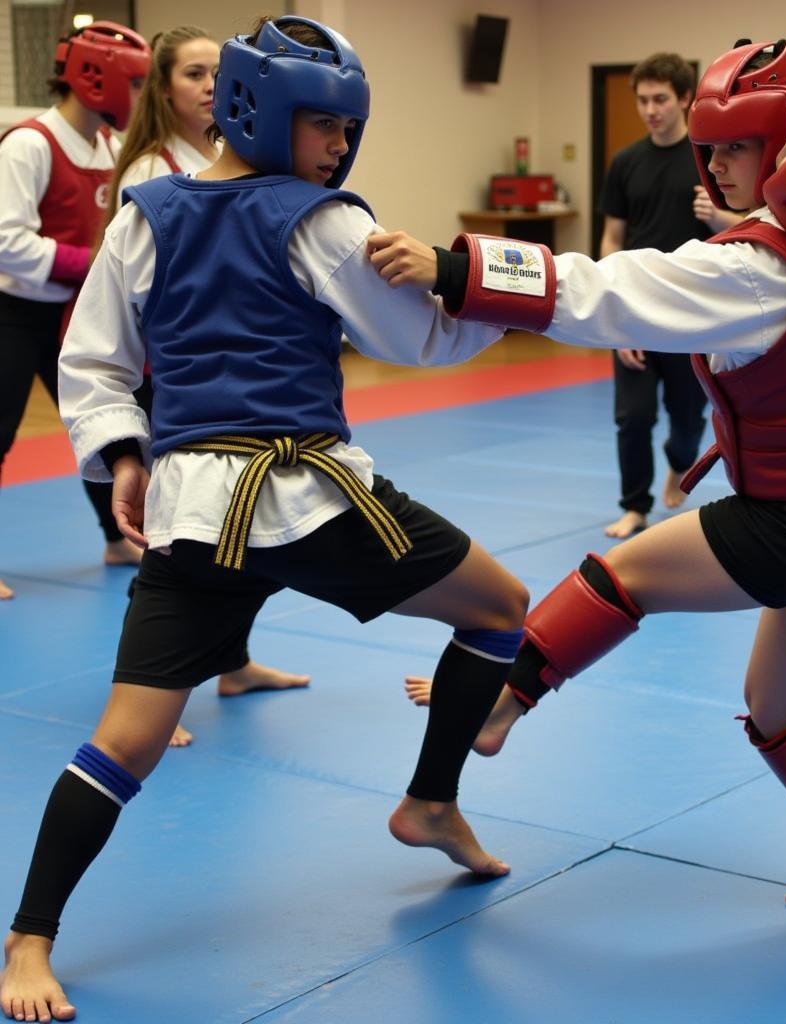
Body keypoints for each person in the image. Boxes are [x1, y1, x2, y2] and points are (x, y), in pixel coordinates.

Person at [1, 16, 528, 1022]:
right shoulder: (318, 219)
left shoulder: (140, 212)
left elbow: (94, 363)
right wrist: (493, 288)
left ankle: (30, 941)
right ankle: (430, 798)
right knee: (502, 610)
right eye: (326, 127)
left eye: (345, 131)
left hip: (195, 509)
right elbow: (412, 340)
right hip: (313, 499)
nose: (339, 149)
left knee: (124, 739)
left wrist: (122, 453)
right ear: (268, 109)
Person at [379, 40, 786, 926]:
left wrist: (456, 271)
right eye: (708, 146)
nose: (712, 164)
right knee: (776, 707)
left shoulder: (753, 269)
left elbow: (605, 288)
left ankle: (500, 701)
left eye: (736, 149)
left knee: (624, 574)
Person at [103, 25, 311, 749]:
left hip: (238, 377)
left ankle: (234, 663)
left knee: (248, 526)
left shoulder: (236, 160)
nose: (207, 86)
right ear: (164, 89)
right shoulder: (151, 173)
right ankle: (155, 691)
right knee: (178, 542)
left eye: (217, 74)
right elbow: (134, 296)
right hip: (180, 380)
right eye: (193, 74)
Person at [0, 22, 151, 601]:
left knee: (100, 426)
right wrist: (92, 262)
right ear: (96, 78)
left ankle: (116, 538)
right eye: (133, 83)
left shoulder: (110, 147)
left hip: (74, 314)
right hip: (15, 312)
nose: (137, 98)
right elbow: (8, 240)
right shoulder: (30, 143)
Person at [599, 53, 739, 539]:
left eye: (660, 99)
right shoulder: (626, 162)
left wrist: (719, 218)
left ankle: (680, 463)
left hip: (691, 311)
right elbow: (612, 238)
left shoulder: (711, 159)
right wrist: (612, 309)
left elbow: (751, 231)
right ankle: (633, 506)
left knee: (688, 416)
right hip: (637, 305)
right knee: (632, 416)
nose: (650, 109)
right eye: (642, 100)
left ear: (683, 98)